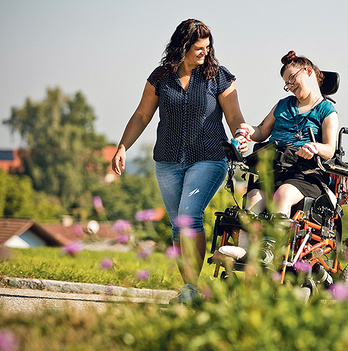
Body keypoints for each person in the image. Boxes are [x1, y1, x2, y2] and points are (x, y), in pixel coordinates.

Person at [111, 19, 248, 303]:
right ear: (182, 46)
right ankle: (189, 287)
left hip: (209, 157)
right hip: (168, 160)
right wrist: (123, 146)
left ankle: (192, 290)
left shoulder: (218, 76)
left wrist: (240, 134)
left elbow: (234, 116)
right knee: (178, 225)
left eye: (207, 48)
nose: (204, 53)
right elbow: (141, 115)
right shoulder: (161, 76)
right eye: (198, 48)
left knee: (188, 216)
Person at [237, 50, 338, 218]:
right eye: (287, 84)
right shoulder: (283, 105)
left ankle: (274, 243)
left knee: (282, 194)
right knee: (253, 197)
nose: (290, 86)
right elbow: (261, 131)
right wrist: (247, 129)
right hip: (273, 170)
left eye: (292, 79)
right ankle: (245, 243)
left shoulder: (326, 110)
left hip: (304, 173)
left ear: (308, 71)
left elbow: (329, 149)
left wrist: (314, 147)